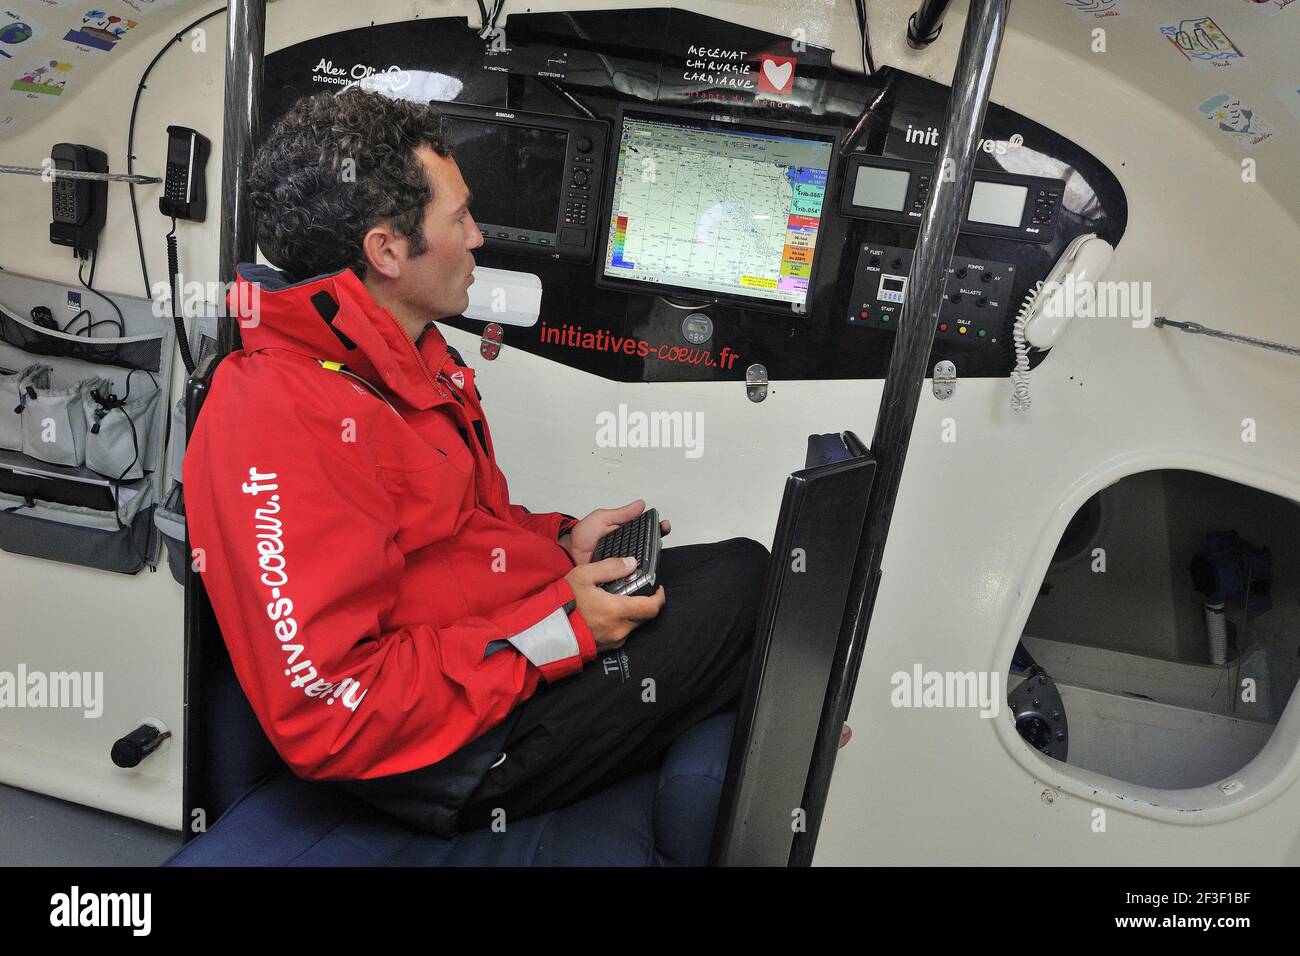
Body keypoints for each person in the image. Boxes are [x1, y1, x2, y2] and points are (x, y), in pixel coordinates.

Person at [183, 87, 769, 838]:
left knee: (734, 569)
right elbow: (332, 709)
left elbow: (463, 533)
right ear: (388, 250)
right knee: (749, 593)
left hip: (483, 659)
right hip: (443, 754)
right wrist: (560, 629)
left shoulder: (404, 358)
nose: (479, 236)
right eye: (458, 217)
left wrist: (560, 545)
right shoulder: (276, 415)